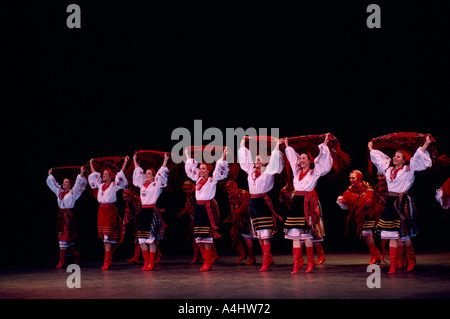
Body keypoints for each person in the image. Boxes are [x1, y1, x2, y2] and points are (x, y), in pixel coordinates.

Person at [368, 135, 432, 273]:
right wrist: (371, 148)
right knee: (390, 233)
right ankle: (393, 264)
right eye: (394, 156)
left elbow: (417, 158)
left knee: (405, 234)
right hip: (391, 202)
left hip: (403, 202)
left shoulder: (408, 169)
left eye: (398, 156)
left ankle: (410, 258)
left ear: (404, 160)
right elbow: (378, 160)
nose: (395, 158)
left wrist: (426, 144)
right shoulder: (388, 170)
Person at [283, 134, 332, 273]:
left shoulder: (314, 173)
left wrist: (324, 144)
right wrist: (287, 145)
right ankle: (297, 262)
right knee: (295, 235)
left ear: (310, 161)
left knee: (307, 236)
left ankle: (310, 261)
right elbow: (292, 158)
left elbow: (322, 162)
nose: (301, 160)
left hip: (307, 204)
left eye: (304, 158)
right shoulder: (296, 171)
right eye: (300, 158)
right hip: (296, 204)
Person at [238, 138, 284, 272]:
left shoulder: (270, 170)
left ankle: (265, 262)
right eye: (255, 158)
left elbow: (275, 158)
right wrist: (242, 143)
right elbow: (244, 158)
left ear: (266, 160)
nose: (256, 160)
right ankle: (268, 258)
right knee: (258, 233)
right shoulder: (251, 170)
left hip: (263, 202)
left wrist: (276, 145)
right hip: (253, 203)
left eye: (259, 158)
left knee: (265, 233)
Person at [184, 147, 230, 271]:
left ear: (209, 170)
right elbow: (190, 168)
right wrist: (187, 153)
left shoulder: (212, 180)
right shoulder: (197, 179)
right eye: (200, 168)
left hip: (207, 208)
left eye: (203, 168)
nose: (200, 170)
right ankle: (206, 260)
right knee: (198, 237)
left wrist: (224, 155)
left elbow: (220, 168)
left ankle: (207, 263)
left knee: (207, 237)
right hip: (198, 208)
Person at [88, 156, 130, 270]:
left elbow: (121, 174)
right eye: (103, 174)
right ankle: (109, 259)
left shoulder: (114, 185)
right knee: (105, 238)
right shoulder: (100, 185)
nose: (103, 175)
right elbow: (94, 175)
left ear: (111, 176)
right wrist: (91, 163)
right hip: (101, 211)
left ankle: (107, 261)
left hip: (110, 212)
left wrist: (125, 162)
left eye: (106, 174)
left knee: (108, 237)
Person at [132, 152, 169, 271]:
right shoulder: (142, 185)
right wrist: (134, 159)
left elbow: (161, 173)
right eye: (146, 173)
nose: (146, 175)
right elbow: (137, 172)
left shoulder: (156, 185)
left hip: (152, 212)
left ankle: (151, 263)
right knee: (142, 239)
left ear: (153, 176)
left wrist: (165, 160)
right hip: (143, 212)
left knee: (151, 239)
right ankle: (146, 262)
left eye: (149, 174)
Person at [337, 170, 381, 265]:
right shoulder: (351, 188)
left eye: (353, 178)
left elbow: (369, 199)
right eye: (350, 178)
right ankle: (376, 254)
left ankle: (373, 255)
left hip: (369, 213)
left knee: (366, 233)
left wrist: (356, 199)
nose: (351, 180)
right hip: (359, 215)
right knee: (365, 235)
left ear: (359, 178)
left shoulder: (367, 187)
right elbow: (346, 197)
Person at [47, 166, 87, 268]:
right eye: (63, 182)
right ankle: (75, 253)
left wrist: (81, 174)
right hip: (60, 216)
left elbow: (79, 185)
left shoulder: (73, 192)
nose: (64, 183)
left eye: (66, 182)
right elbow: (53, 185)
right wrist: (50, 175)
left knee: (64, 239)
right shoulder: (59, 192)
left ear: (70, 184)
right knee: (64, 238)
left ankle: (62, 261)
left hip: (68, 216)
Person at [224, 180, 255, 265]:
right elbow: (232, 208)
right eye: (227, 190)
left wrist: (236, 217)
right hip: (239, 217)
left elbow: (243, 209)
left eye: (230, 190)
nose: (228, 192)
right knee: (235, 234)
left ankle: (253, 258)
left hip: (249, 217)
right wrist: (233, 217)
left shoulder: (244, 194)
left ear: (235, 188)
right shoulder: (230, 197)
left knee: (251, 238)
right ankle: (242, 253)